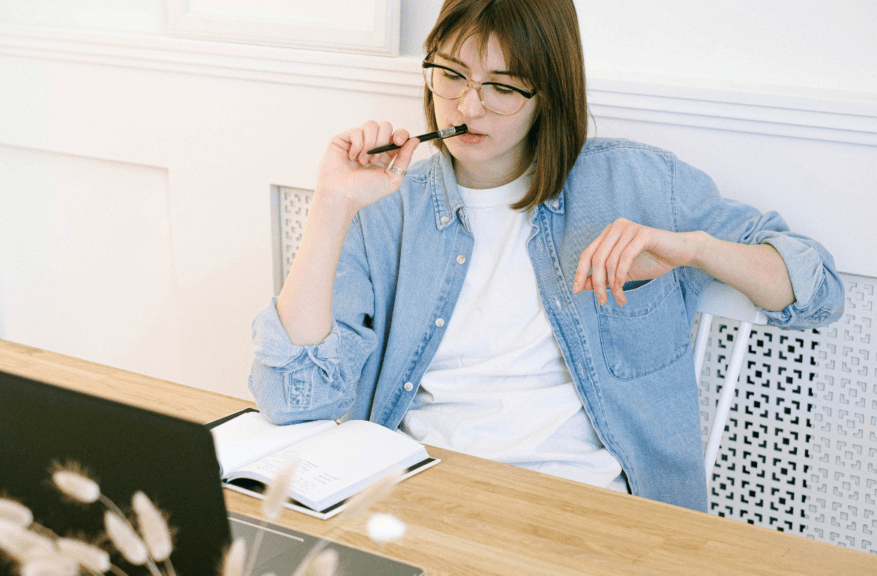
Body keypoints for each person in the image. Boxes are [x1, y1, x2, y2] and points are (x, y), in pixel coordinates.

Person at [247, 0, 844, 512]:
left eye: (502, 87)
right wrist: (331, 204)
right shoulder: (387, 208)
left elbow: (818, 292)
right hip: (421, 499)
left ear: (548, 93)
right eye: (450, 75)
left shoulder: (636, 182)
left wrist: (695, 250)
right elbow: (293, 400)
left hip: (585, 511)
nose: (467, 108)